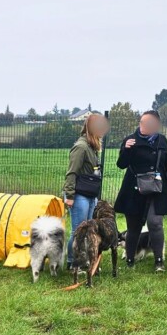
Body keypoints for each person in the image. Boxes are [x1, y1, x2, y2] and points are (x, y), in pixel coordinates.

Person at [115, 110, 167, 272]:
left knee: (155, 223)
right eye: (141, 122)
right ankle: (130, 259)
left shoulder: (162, 141)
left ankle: (159, 261)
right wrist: (126, 150)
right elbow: (121, 164)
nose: (142, 126)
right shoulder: (130, 140)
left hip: (156, 188)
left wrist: (164, 182)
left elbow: (166, 165)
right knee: (134, 226)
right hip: (134, 189)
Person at [63, 113, 109, 267]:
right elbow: (71, 173)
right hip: (79, 195)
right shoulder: (81, 147)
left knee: (88, 231)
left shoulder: (92, 146)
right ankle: (72, 262)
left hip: (90, 195)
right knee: (78, 231)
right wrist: (69, 196)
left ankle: (83, 261)